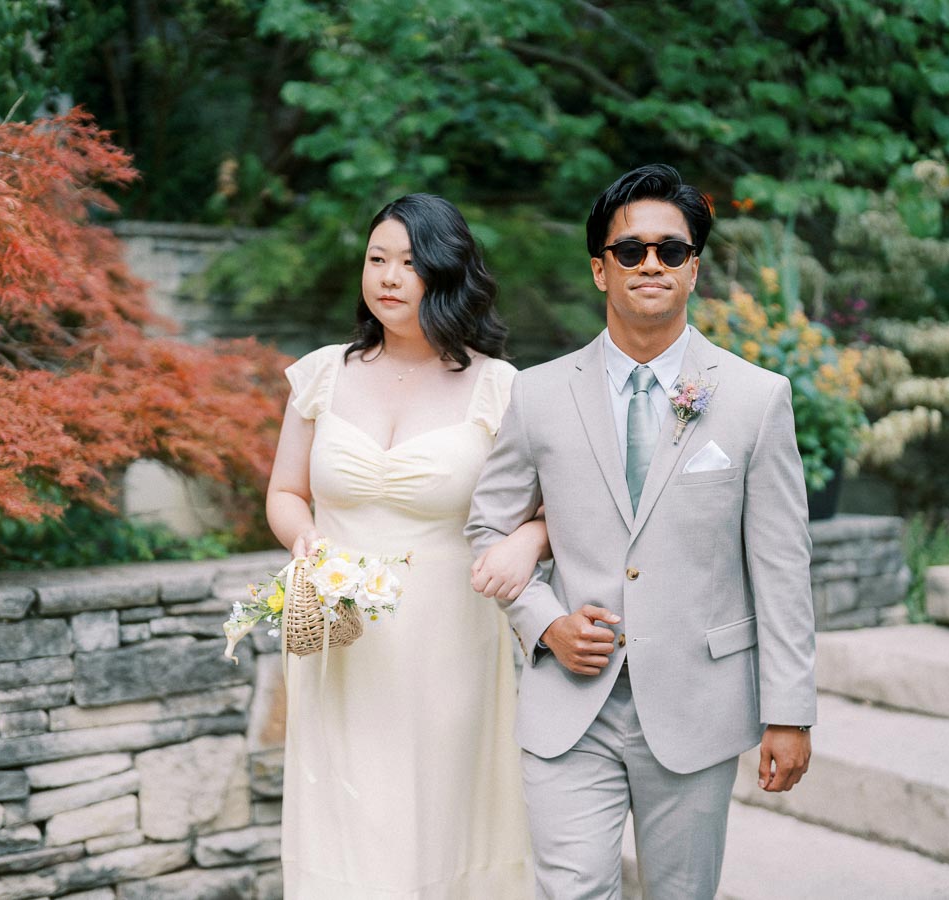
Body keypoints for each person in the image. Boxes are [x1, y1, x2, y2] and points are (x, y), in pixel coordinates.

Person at [466, 164, 817, 900]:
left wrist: (790, 711)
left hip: (699, 701)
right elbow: (488, 527)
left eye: (671, 250)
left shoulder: (757, 399)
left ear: (695, 269)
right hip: (569, 702)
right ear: (601, 269)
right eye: (630, 251)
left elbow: (781, 566)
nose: (650, 263)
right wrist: (545, 624)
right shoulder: (536, 393)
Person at [266, 193, 537, 898]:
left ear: (446, 273)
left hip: (448, 640)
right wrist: (309, 546)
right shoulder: (323, 373)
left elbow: (554, 511)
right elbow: (285, 493)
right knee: (342, 817)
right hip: (339, 635)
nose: (388, 276)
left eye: (410, 263)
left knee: (435, 821)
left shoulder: (498, 388)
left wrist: (528, 543)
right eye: (377, 259)